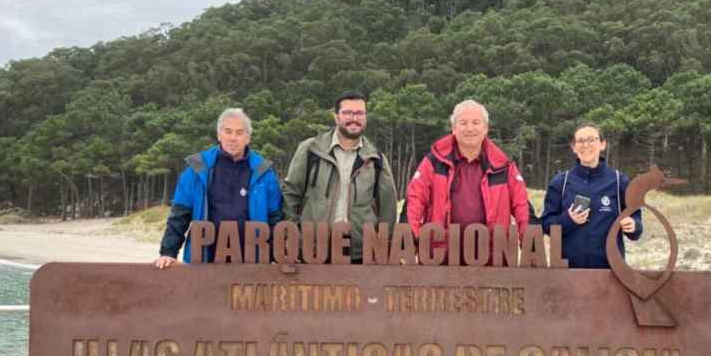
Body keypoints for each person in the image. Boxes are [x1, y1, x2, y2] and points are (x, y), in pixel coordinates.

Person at [155, 108, 283, 267]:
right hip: (204, 261)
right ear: (219, 135)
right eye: (228, 131)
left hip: (252, 264)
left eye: (239, 133)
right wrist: (168, 252)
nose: (233, 138)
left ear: (248, 138)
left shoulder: (264, 172)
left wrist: (277, 256)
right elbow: (179, 216)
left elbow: (275, 220)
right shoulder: (197, 169)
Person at [404, 99, 531, 259]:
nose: (469, 128)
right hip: (440, 258)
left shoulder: (504, 166)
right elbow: (415, 198)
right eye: (463, 123)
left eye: (476, 123)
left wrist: (528, 244)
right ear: (454, 128)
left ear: (486, 128)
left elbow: (522, 206)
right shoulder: (433, 161)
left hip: (492, 258)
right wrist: (413, 237)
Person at [282, 91, 397, 262]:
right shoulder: (311, 149)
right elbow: (291, 194)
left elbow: (388, 208)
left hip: (359, 254)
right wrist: (293, 238)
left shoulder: (376, 159)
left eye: (359, 113)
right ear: (336, 117)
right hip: (311, 250)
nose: (354, 118)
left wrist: (381, 248)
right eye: (347, 113)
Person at [540, 121, 642, 269]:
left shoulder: (620, 181)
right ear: (574, 148)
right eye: (580, 141)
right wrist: (568, 220)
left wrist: (633, 226)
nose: (585, 145)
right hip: (568, 273)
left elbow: (636, 224)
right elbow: (545, 224)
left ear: (603, 144)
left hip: (610, 272)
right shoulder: (560, 182)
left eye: (591, 140)